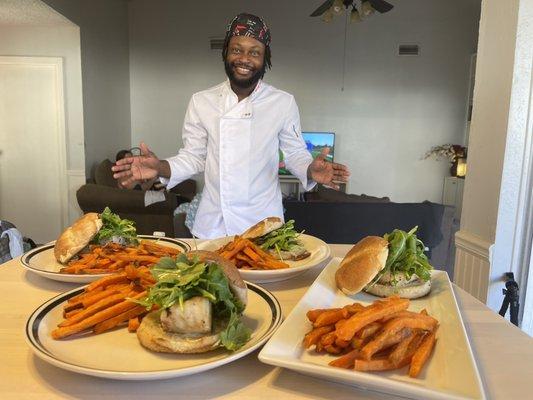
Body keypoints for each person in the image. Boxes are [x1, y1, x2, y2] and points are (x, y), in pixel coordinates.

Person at [113, 13, 350, 239]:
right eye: (237, 49)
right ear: (226, 51)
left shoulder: (283, 102)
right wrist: (161, 167)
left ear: (264, 58)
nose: (245, 59)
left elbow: (295, 153)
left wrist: (310, 169)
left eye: (254, 52)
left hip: (263, 223)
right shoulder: (201, 101)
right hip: (213, 225)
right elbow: (194, 157)